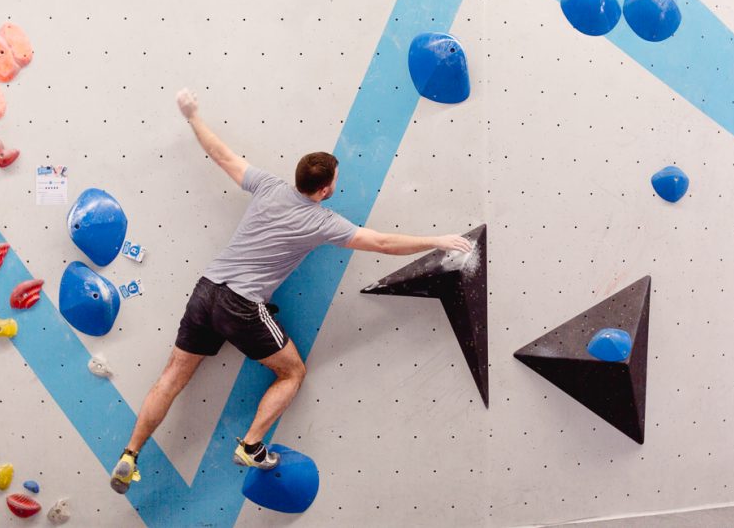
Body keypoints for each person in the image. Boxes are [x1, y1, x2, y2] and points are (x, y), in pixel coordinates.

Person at [110, 88, 472, 493]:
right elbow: (384, 243)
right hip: (241, 305)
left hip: (207, 289)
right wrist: (437, 240)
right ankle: (251, 445)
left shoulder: (268, 185)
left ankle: (130, 453)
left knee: (172, 377)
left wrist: (193, 116)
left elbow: (223, 156)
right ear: (323, 190)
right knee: (292, 372)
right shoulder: (323, 222)